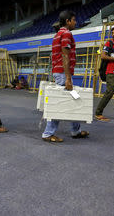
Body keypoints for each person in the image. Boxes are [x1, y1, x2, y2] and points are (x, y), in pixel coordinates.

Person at [41, 10, 89, 142]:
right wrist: (68, 78)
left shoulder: (58, 34)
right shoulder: (66, 34)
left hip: (60, 72)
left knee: (72, 100)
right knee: (60, 102)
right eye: (74, 20)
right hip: (63, 73)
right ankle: (48, 133)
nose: (75, 22)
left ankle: (76, 130)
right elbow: (65, 55)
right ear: (68, 21)